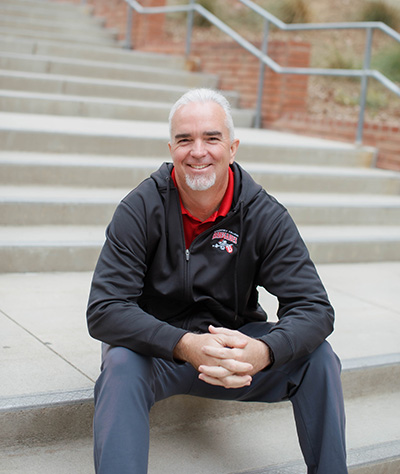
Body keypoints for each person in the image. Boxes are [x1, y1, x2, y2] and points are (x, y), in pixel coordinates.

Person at [87, 88, 347, 473]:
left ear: (233, 147)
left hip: (237, 354)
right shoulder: (140, 208)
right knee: (121, 365)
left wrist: (265, 351)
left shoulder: (264, 216)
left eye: (211, 138)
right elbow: (105, 310)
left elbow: (314, 308)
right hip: (159, 352)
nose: (198, 151)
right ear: (170, 147)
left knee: (319, 358)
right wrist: (184, 344)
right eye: (185, 140)